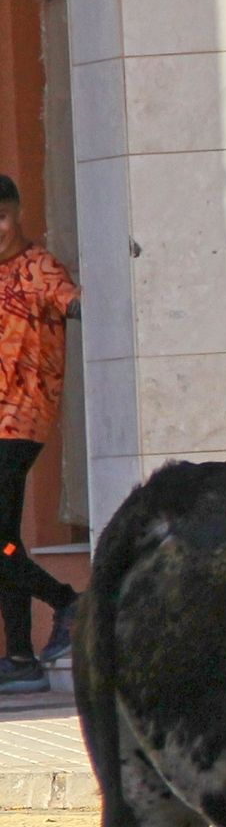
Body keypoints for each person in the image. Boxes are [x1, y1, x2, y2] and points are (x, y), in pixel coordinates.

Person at [0, 173, 82, 694]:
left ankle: (68, 603)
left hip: (20, 419)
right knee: (5, 543)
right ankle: (21, 659)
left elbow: (73, 301)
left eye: (1, 216)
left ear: (17, 212)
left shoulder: (40, 268)